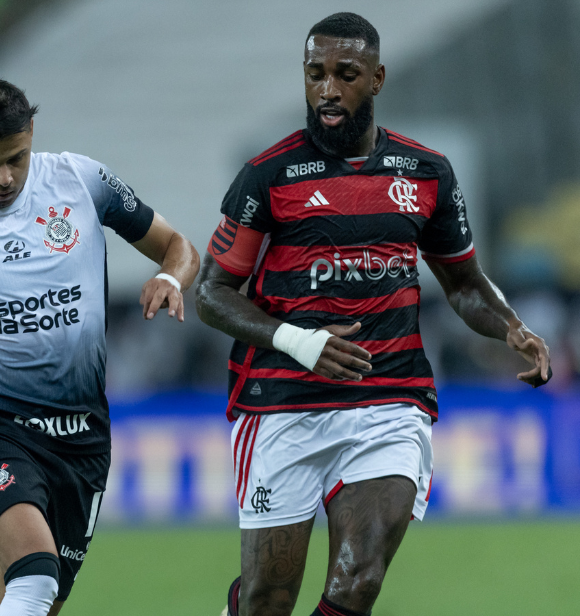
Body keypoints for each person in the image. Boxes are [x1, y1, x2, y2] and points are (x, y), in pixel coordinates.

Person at [195, 13, 552, 616]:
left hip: (390, 396)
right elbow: (211, 293)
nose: (328, 89)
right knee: (266, 600)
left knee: (358, 582)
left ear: (378, 78)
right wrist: (299, 341)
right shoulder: (268, 175)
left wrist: (510, 326)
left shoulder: (425, 173)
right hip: (283, 405)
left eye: (345, 73)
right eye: (315, 74)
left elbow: (463, 282)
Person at [0, 76, 199, 616]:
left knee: (38, 596)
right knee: (34, 573)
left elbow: (178, 246)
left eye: (16, 158)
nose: (4, 178)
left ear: (32, 133)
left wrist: (171, 279)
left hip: (82, 437)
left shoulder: (82, 180)